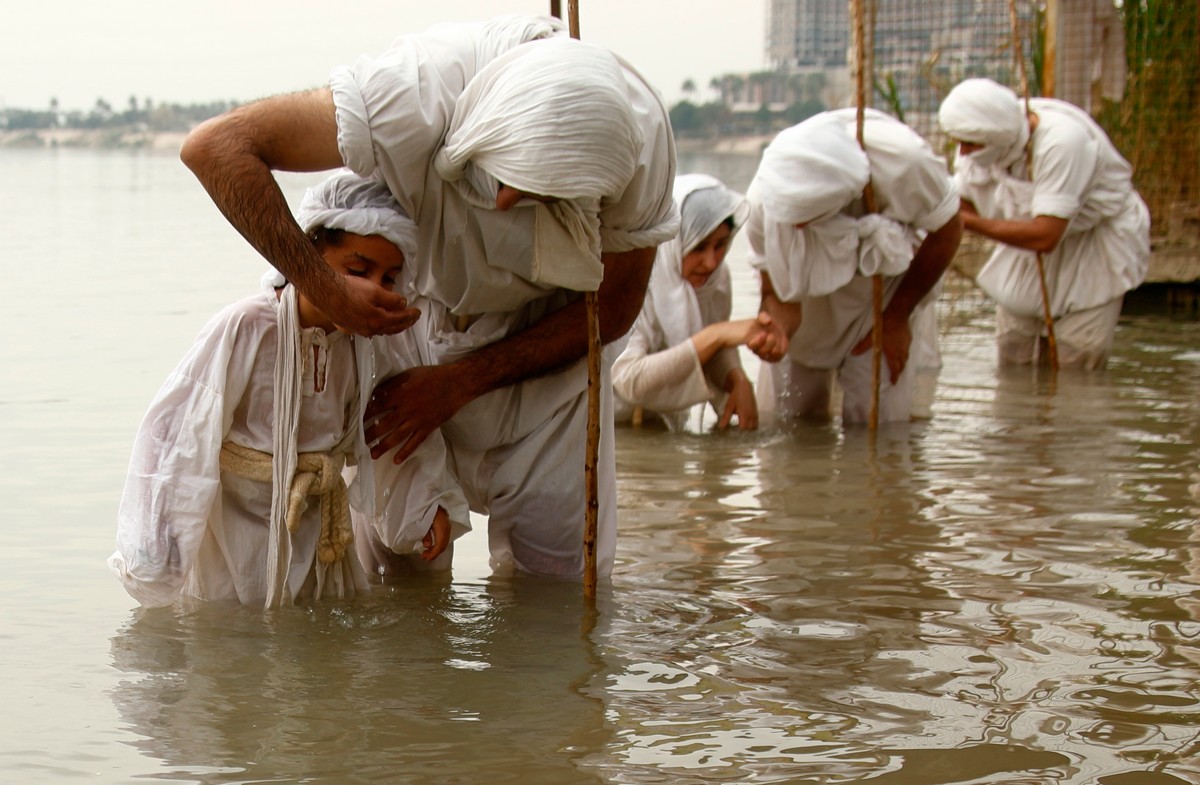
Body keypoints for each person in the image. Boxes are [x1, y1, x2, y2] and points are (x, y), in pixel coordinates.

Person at [178, 16, 679, 579]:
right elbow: (217, 147)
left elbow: (612, 308)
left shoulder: (645, 145)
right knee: (403, 567)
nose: (509, 201)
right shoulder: (413, 93)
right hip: (410, 324)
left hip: (554, 353)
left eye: (542, 198)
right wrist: (329, 291)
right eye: (503, 179)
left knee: (554, 601)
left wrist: (462, 383)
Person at [109, 171, 470, 608]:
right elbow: (175, 436)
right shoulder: (247, 328)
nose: (371, 290)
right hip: (234, 539)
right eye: (357, 271)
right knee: (231, 651)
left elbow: (394, 428)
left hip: (320, 539)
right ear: (307, 258)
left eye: (388, 279)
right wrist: (155, 555)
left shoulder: (371, 342)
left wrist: (425, 503)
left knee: (319, 658)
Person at [744, 108, 963, 425]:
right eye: (793, 222)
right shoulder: (761, 204)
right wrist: (777, 331)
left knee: (877, 426)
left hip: (884, 291)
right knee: (786, 422)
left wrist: (897, 317)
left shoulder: (904, 163)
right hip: (807, 295)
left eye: (808, 219)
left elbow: (948, 230)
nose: (799, 227)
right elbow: (777, 295)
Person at [938, 77, 1150, 369]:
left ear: (998, 138)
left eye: (970, 145)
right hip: (1022, 243)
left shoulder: (1063, 143)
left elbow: (1045, 236)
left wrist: (966, 223)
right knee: (1013, 353)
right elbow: (964, 198)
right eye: (959, 143)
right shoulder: (983, 141)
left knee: (1076, 360)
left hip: (1091, 245)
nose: (962, 153)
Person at [612, 173, 767, 432]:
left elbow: (715, 344)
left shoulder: (716, 279)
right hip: (614, 431)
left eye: (721, 245)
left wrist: (736, 379)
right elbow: (627, 378)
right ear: (674, 241)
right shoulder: (636, 279)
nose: (711, 262)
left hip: (663, 424)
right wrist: (715, 336)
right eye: (699, 247)